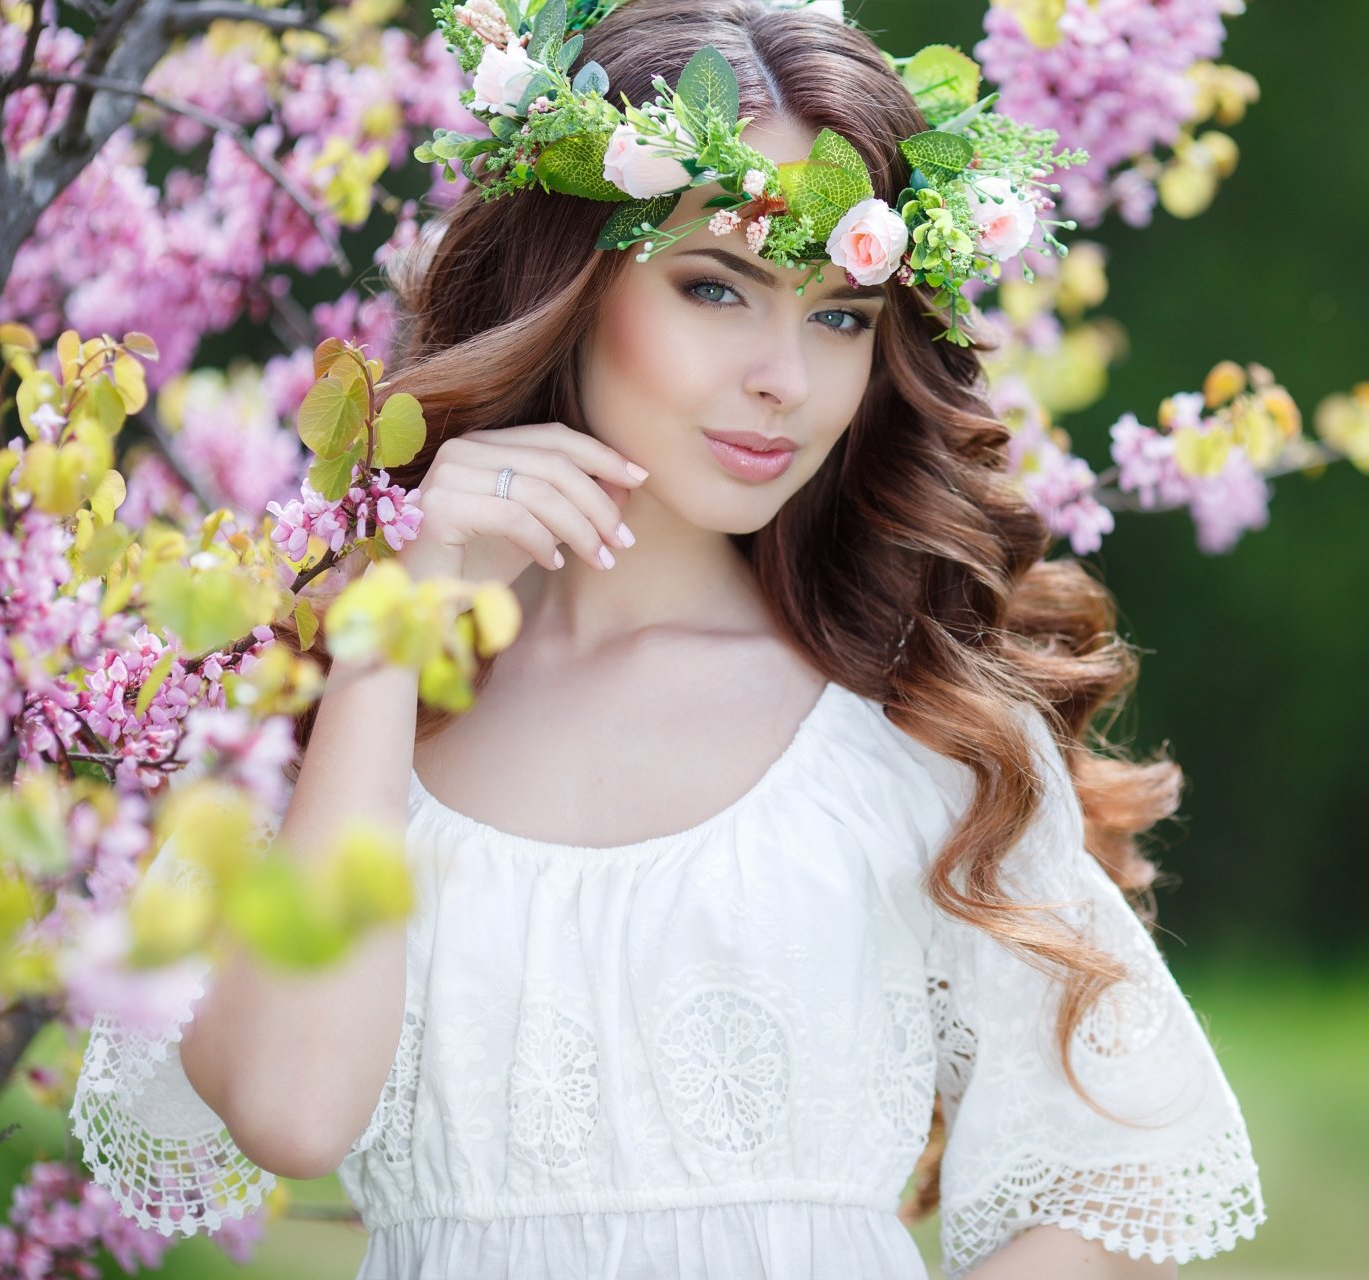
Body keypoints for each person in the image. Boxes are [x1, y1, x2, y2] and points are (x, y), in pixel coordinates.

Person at [69, 2, 1267, 1276]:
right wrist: (386, 617)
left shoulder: (909, 718)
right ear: (571, 286)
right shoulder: (340, 702)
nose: (784, 380)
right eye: (716, 286)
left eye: (842, 315)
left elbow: (1120, 1176)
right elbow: (292, 1111)